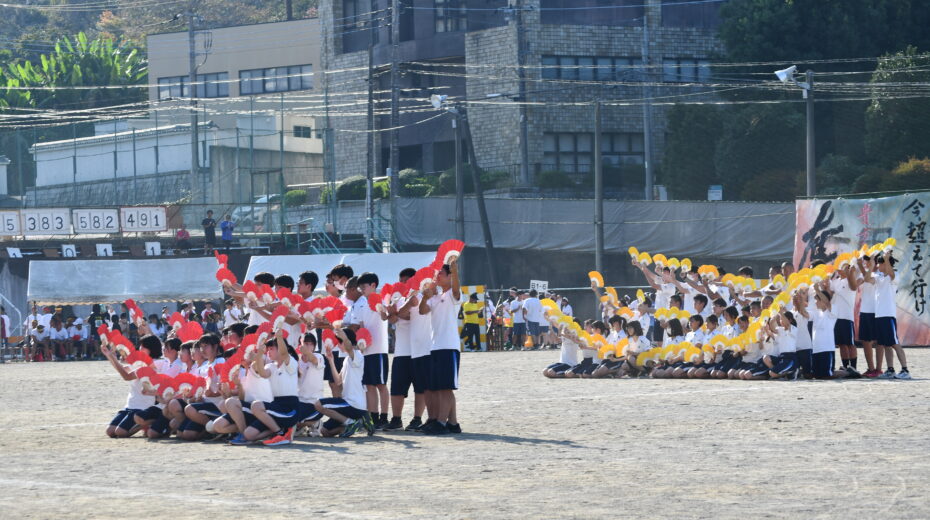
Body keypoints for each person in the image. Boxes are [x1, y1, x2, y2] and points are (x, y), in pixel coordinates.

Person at [418, 259, 463, 435]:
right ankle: (452, 422)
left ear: (450, 276)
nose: (437, 276)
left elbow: (457, 289)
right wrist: (425, 296)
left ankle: (441, 421)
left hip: (449, 345)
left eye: (441, 274)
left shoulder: (452, 294)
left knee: (446, 387)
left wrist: (455, 271)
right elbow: (422, 311)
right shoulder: (435, 297)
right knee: (438, 387)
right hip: (435, 345)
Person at [874, 254, 910, 379]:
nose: (877, 266)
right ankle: (890, 369)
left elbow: (892, 275)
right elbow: (868, 279)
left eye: (879, 263)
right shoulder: (879, 276)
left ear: (885, 264)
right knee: (886, 344)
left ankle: (905, 370)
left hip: (888, 314)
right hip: (879, 315)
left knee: (894, 343)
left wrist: (886, 258)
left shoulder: (894, 276)